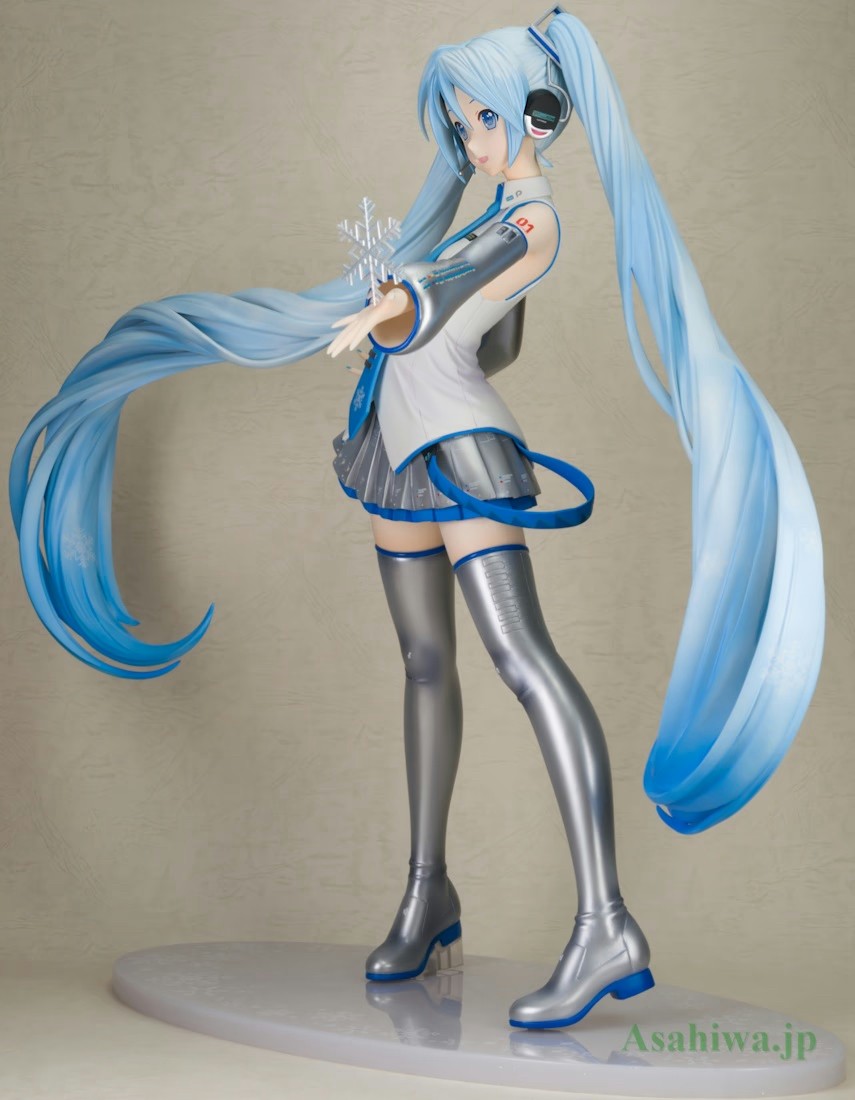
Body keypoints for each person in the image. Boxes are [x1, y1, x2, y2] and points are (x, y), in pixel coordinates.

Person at [8, 8, 824, 1030]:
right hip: (397, 449)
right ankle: (427, 892)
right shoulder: (490, 217)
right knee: (424, 661)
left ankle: (606, 921)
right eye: (460, 123)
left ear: (537, 115)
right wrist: (401, 313)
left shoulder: (531, 222)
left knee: (522, 657)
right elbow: (492, 338)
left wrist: (379, 311)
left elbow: (443, 300)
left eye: (484, 119)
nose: (471, 141)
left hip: (459, 452)